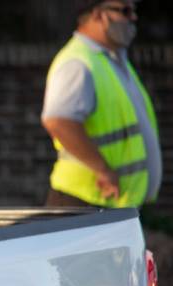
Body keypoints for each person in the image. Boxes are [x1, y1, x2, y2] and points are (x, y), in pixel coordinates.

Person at [42, 0, 161, 208]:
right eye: (125, 10)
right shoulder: (78, 63)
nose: (133, 17)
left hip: (107, 203)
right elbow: (58, 121)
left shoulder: (109, 60)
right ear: (98, 14)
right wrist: (102, 169)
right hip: (83, 202)